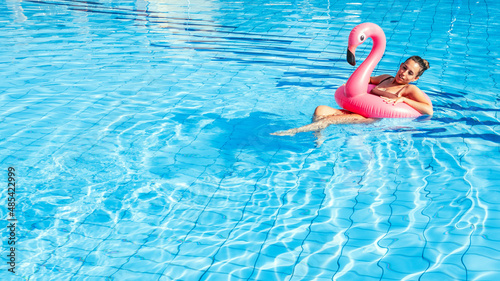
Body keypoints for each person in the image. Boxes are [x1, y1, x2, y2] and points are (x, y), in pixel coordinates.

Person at [271, 56, 433, 141]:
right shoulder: (385, 78)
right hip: (356, 110)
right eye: (404, 67)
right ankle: (318, 135)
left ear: (415, 78)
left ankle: (293, 132)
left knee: (327, 120)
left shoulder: (409, 88)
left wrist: (403, 100)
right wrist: (350, 85)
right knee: (320, 109)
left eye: (410, 73)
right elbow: (366, 79)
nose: (403, 73)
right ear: (401, 64)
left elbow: (428, 109)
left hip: (371, 119)